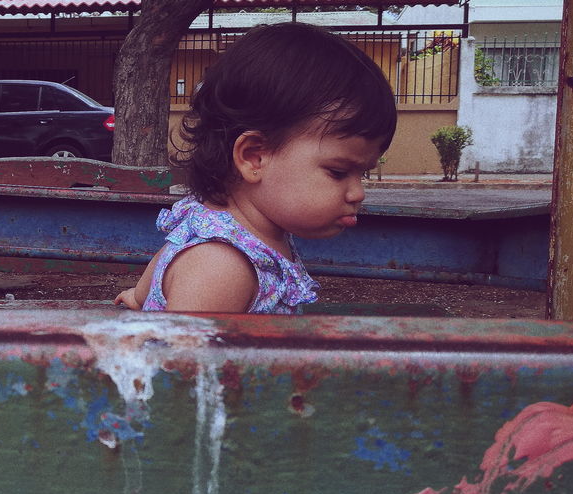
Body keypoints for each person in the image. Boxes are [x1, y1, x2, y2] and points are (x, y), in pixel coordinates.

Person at [115, 22, 396, 314]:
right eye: (338, 172)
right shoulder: (221, 267)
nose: (357, 193)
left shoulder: (221, 227)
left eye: (361, 174)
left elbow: (165, 257)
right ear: (253, 157)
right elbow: (185, 357)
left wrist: (140, 296)